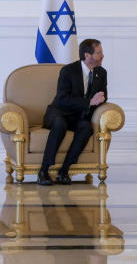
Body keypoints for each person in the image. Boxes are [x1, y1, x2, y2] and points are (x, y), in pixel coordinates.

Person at [37, 38, 108, 186]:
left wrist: (101, 99)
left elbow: (102, 96)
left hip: (78, 117)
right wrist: (89, 102)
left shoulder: (101, 72)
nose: (102, 55)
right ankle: (43, 170)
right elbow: (62, 99)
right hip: (58, 113)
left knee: (87, 128)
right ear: (87, 56)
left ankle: (64, 171)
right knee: (59, 124)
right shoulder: (68, 71)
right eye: (99, 53)